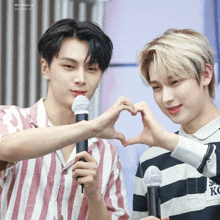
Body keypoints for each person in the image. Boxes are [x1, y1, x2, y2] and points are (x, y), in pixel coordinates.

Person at [0, 18, 132, 220]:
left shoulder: (106, 153)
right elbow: (5, 148)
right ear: (45, 68)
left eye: (92, 69)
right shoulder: (12, 119)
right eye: (69, 66)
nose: (81, 78)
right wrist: (92, 127)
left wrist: (94, 194)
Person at [124, 29, 220, 219]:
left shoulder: (165, 143)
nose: (166, 98)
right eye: (157, 87)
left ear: (206, 75)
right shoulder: (151, 160)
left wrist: (168, 141)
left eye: (175, 82)